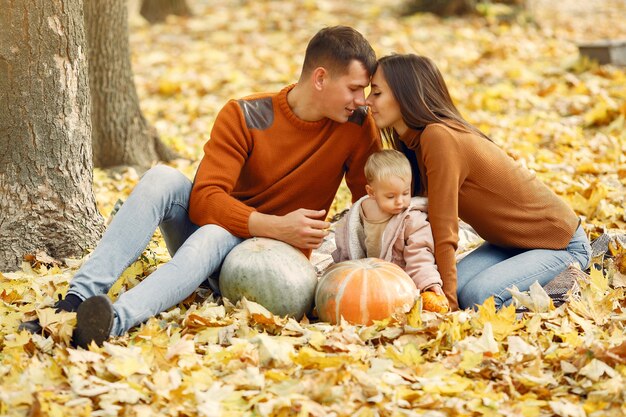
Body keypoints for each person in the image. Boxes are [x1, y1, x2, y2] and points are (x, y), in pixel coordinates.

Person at [19, 26, 381, 347]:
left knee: (212, 236)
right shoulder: (245, 115)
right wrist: (275, 224)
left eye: (364, 91)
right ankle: (73, 301)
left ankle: (110, 323)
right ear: (320, 78)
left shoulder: (356, 127)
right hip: (220, 231)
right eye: (353, 88)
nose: (361, 100)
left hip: (267, 269)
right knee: (163, 178)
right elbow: (205, 200)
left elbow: (370, 202)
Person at [364, 53, 591, 311]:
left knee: (476, 297)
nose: (367, 101)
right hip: (507, 244)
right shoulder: (412, 144)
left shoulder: (439, 137)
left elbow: (443, 225)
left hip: (560, 243)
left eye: (377, 93)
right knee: (454, 287)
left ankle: (569, 287)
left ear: (405, 95)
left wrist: (447, 306)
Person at [332, 149, 446, 305]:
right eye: (391, 196)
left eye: (405, 193)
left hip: (400, 282)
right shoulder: (359, 213)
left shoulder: (412, 218)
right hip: (369, 277)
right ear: (371, 192)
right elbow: (350, 244)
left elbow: (420, 253)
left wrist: (427, 281)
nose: (400, 201)